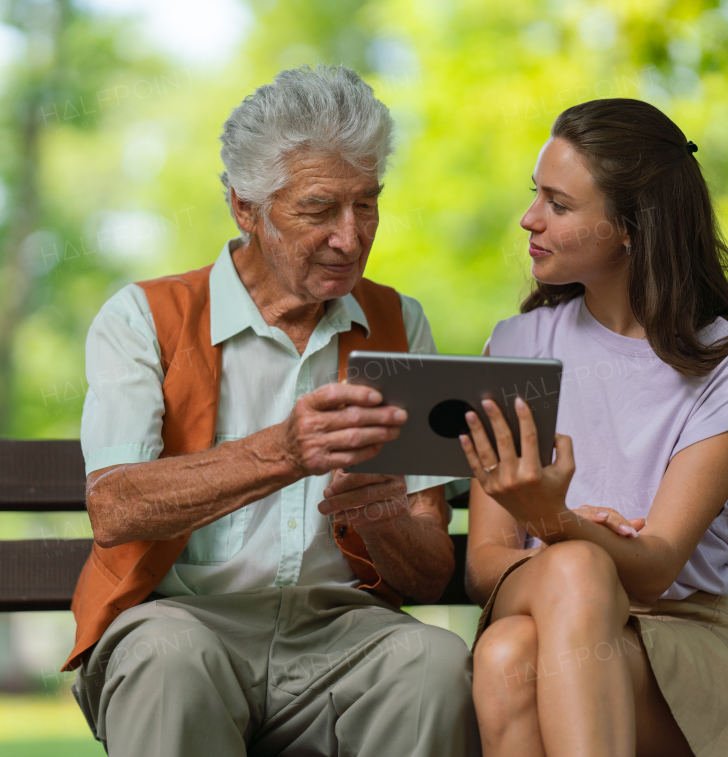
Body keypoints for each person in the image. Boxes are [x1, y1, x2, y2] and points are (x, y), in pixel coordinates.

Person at [63, 64, 479, 757]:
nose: (350, 237)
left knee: (431, 663)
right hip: (184, 620)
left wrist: (378, 517)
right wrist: (283, 452)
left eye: (367, 205)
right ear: (245, 210)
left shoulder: (399, 320)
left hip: (342, 636)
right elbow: (115, 507)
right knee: (169, 656)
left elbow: (427, 573)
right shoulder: (143, 318)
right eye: (318, 211)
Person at [461, 98, 728, 757]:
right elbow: (484, 566)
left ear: (631, 229)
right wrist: (572, 542)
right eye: (537, 196)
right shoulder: (517, 346)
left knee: (506, 655)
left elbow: (655, 568)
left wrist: (557, 522)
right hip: (537, 601)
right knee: (571, 575)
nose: (529, 219)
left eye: (559, 205)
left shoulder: (727, 366)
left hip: (675, 639)